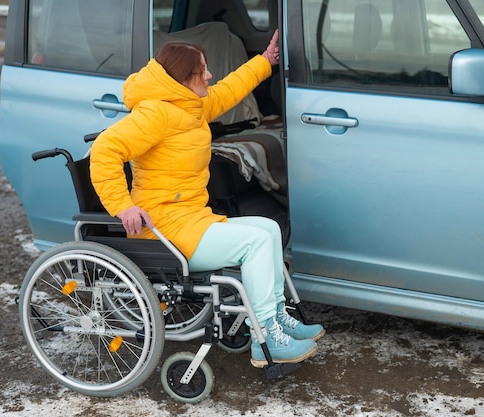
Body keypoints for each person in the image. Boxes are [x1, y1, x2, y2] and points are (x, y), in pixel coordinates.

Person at [90, 30, 325, 367]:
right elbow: (105, 150)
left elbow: (228, 91)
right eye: (202, 70)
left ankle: (275, 317)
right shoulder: (156, 114)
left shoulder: (189, 105)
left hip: (189, 218)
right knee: (255, 243)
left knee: (269, 229)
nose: (210, 75)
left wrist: (264, 62)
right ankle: (266, 337)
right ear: (183, 79)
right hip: (164, 228)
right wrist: (122, 205)